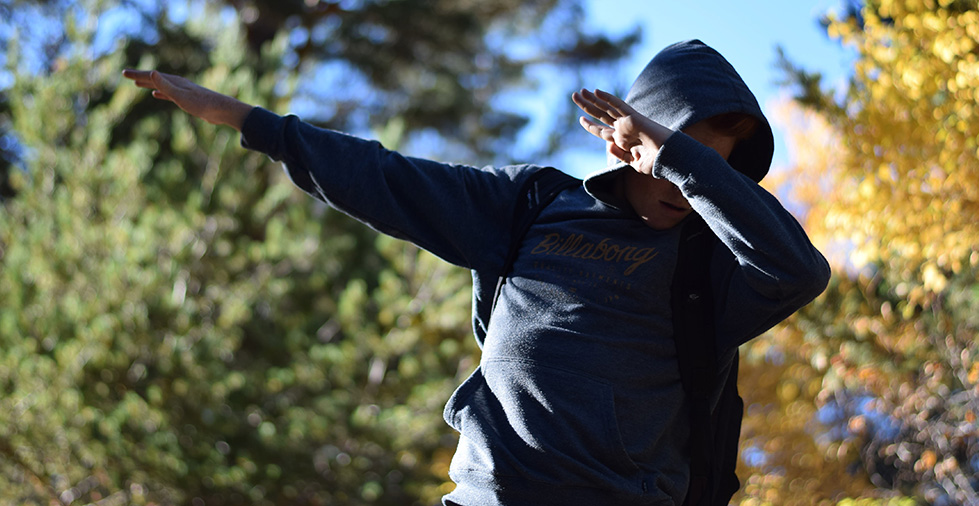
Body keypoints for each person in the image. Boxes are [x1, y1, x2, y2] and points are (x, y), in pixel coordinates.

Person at [123, 39, 830, 506]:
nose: (691, 178)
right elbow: (387, 178)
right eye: (680, 145)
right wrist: (248, 120)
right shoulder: (534, 205)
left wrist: (679, 157)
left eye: (715, 164)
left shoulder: (717, 265)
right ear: (628, 139)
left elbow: (800, 272)